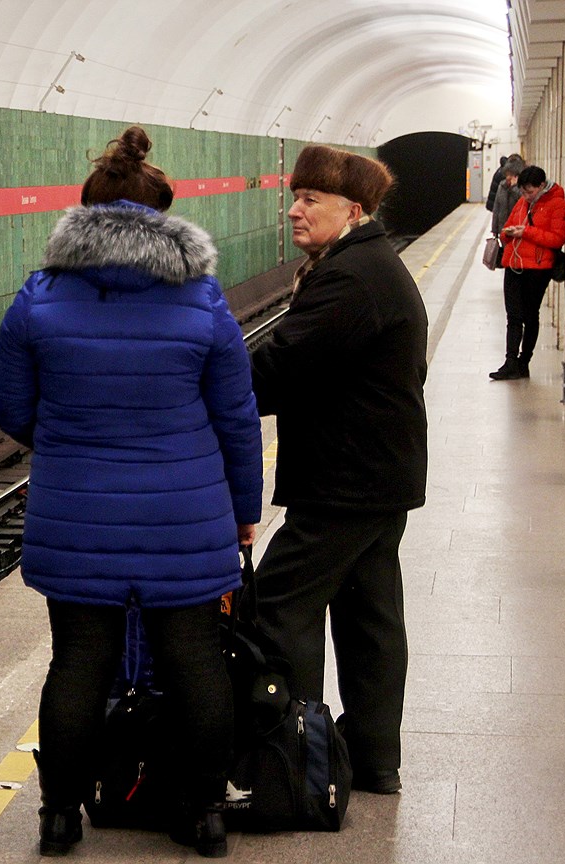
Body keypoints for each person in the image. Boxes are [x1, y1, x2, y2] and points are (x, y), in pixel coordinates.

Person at [0, 125, 262, 858]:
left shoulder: (39, 298)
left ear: (83, 217)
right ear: (164, 219)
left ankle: (57, 817)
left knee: (79, 661)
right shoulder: (201, 300)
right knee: (196, 660)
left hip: (76, 512)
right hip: (186, 511)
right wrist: (243, 512)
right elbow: (237, 416)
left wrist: (70, 440)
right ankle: (202, 814)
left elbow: (10, 407)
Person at [248, 144, 427, 796]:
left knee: (279, 605)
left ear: (351, 208)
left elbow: (278, 369)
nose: (294, 211)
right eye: (294, 197)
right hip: (378, 475)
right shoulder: (365, 264)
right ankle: (375, 759)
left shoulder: (352, 279)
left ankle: (295, 757)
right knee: (369, 616)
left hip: (346, 482)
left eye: (309, 200)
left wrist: (203, 379)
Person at [490, 165, 565, 380]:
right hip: (514, 264)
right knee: (513, 316)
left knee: (530, 315)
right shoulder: (523, 203)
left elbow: (557, 238)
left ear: (542, 186)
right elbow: (507, 227)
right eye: (523, 192)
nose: (526, 196)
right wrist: (507, 234)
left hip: (538, 268)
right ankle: (510, 362)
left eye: (530, 192)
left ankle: (524, 361)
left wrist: (527, 232)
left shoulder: (556, 202)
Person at [489, 154, 525, 268]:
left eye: (510, 174)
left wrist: (514, 188)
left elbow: (523, 201)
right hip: (503, 229)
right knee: (507, 256)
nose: (508, 177)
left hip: (517, 230)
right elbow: (497, 207)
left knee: (517, 256)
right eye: (507, 174)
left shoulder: (522, 187)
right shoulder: (502, 186)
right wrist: (494, 229)